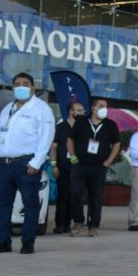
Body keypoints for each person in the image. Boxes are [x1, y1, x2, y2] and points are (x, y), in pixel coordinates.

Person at [0, 73, 55, 254]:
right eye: (17, 84)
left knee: (30, 205)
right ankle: (3, 242)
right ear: (13, 88)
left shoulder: (41, 109)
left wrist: (36, 163)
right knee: (3, 205)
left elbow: (46, 138)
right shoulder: (7, 109)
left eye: (26, 84)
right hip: (3, 164)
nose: (21, 87)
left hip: (25, 164)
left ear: (33, 88)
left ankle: (27, 242)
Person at [67, 97, 121, 237]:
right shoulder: (81, 122)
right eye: (102, 106)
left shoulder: (111, 125)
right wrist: (73, 156)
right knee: (76, 193)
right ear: (93, 108)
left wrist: (109, 161)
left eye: (106, 106)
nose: (105, 109)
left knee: (96, 197)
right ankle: (78, 221)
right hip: (80, 165)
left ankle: (94, 224)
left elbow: (116, 143)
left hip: (99, 166)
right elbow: (70, 139)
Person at [49, 100, 84, 234]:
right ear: (71, 112)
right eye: (79, 110)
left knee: (75, 196)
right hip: (63, 166)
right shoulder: (61, 127)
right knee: (63, 196)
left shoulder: (83, 127)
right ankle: (60, 224)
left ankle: (70, 222)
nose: (82, 113)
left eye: (82, 111)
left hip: (79, 168)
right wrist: (54, 165)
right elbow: (54, 148)